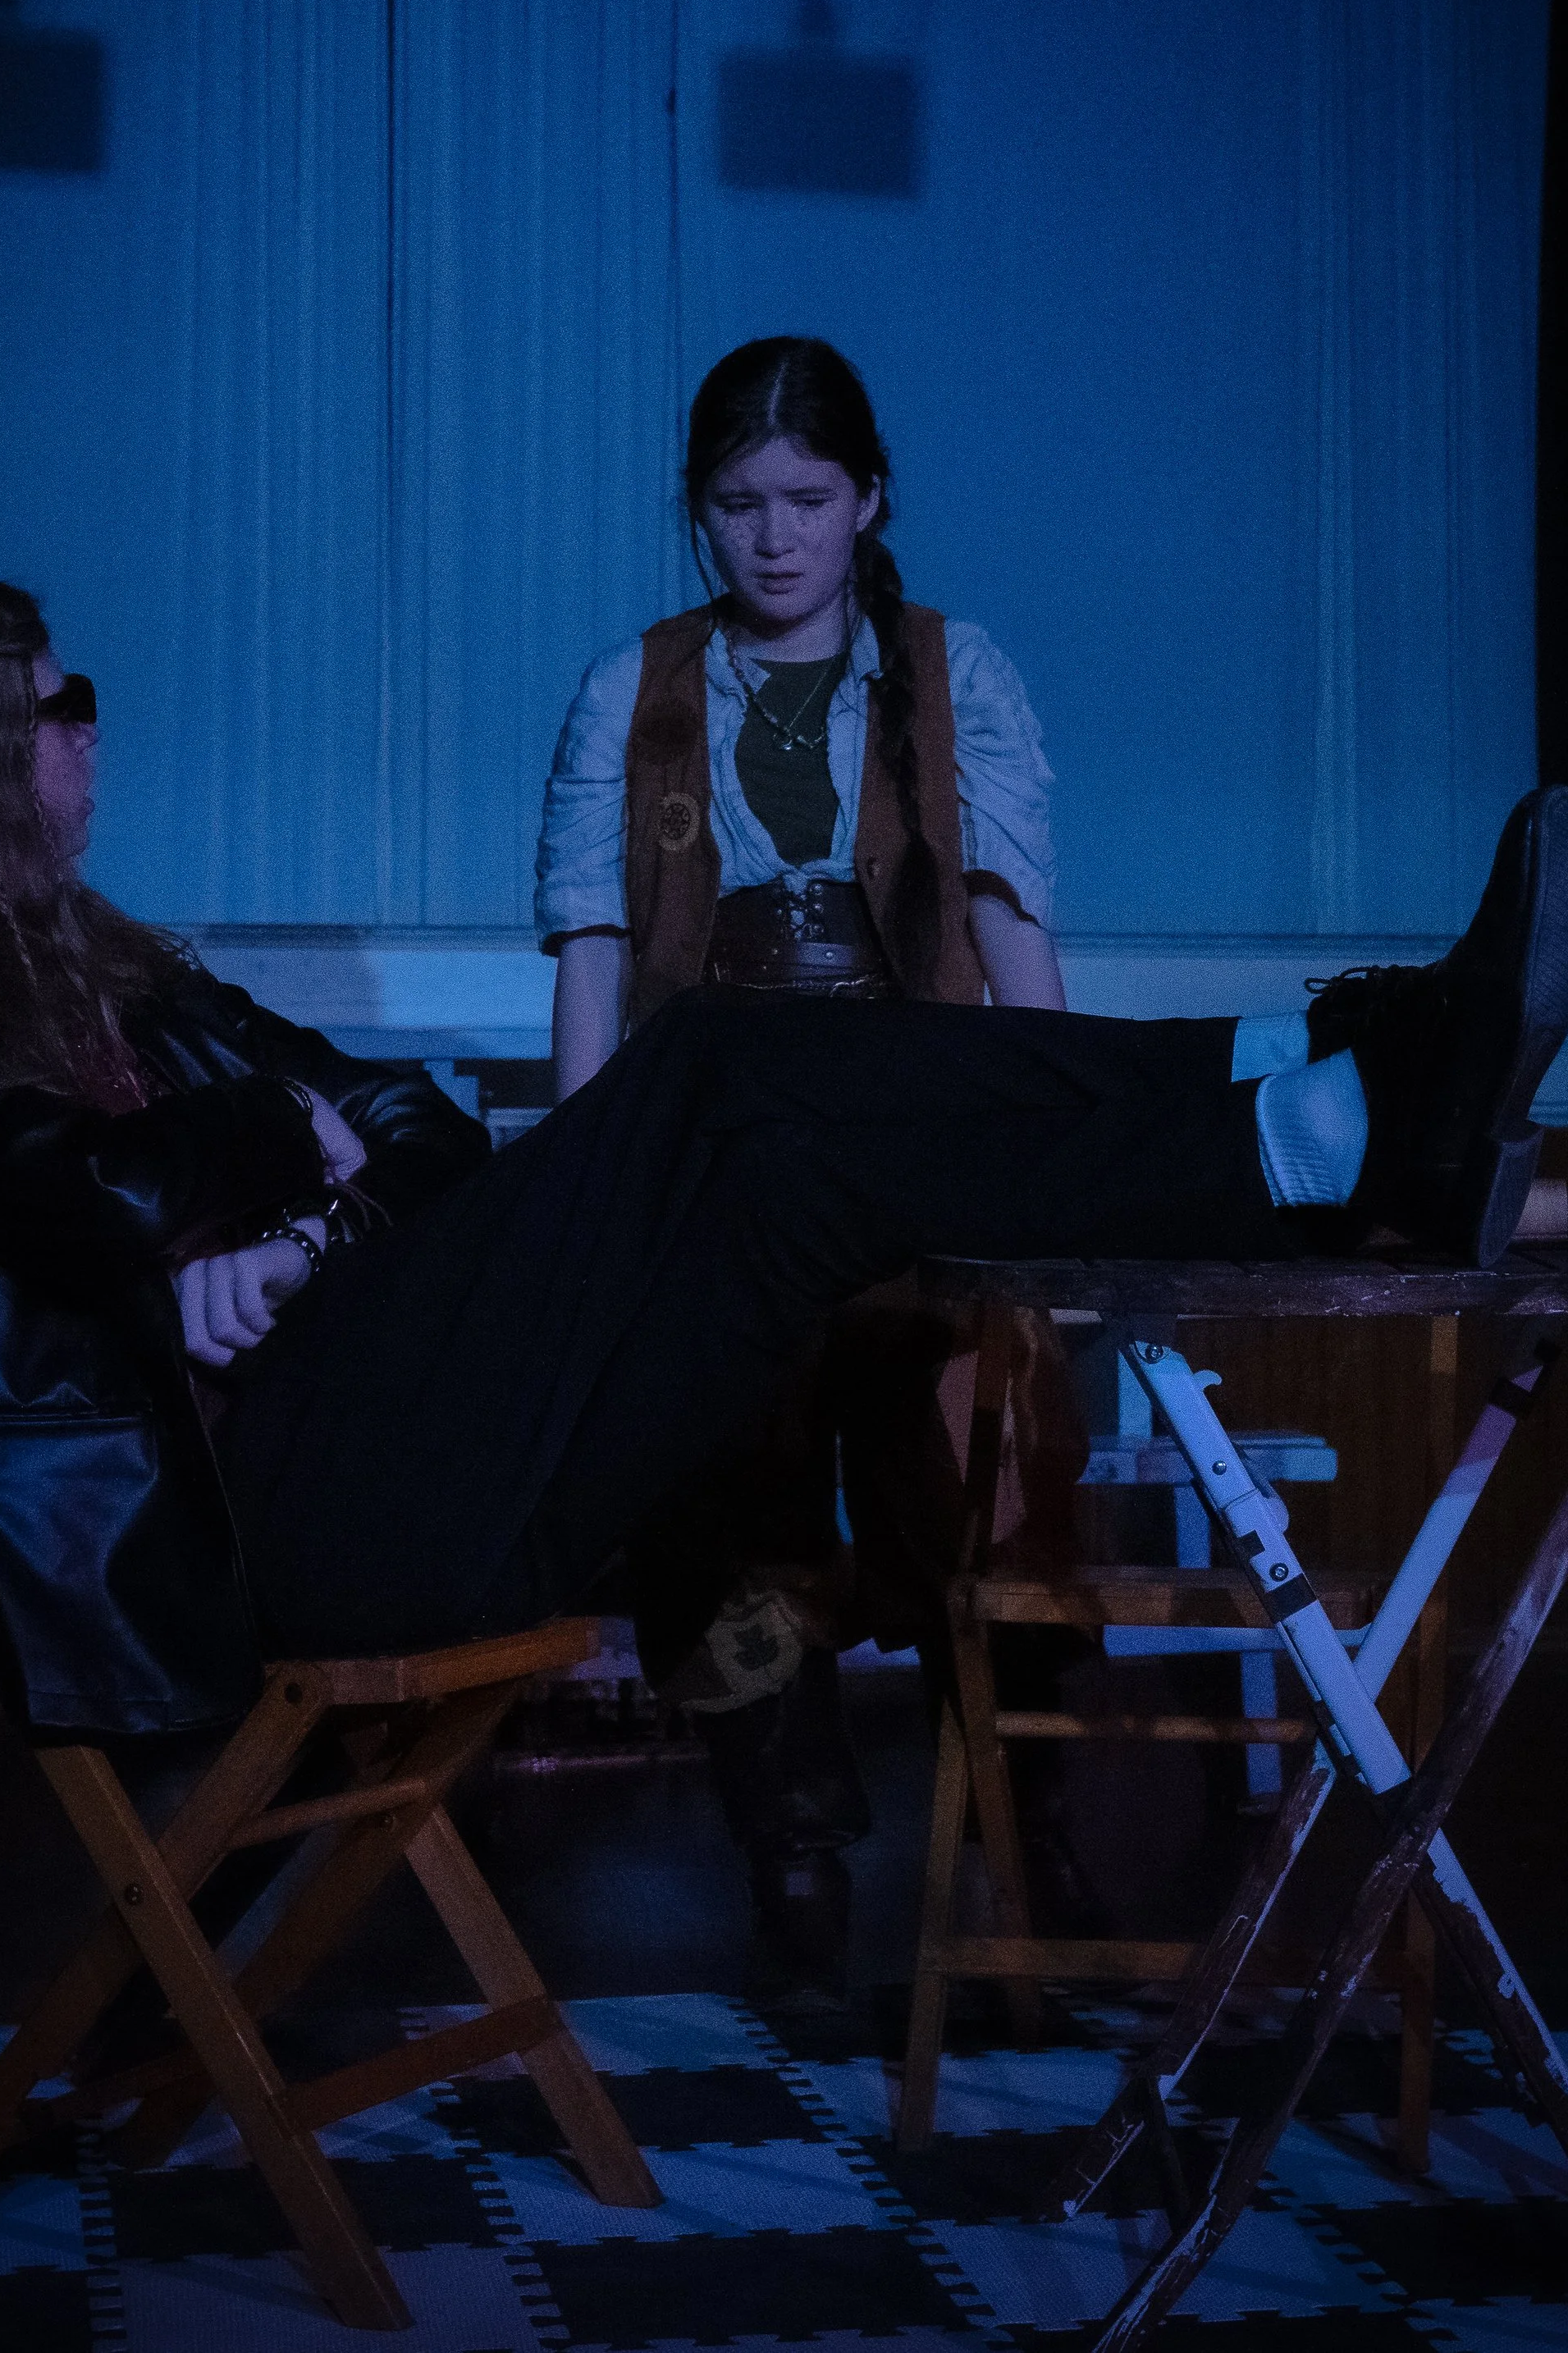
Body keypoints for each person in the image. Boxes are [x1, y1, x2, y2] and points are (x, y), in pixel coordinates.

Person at [0, 574, 1568, 1793]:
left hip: (416, 1453)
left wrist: (294, 1229)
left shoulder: (134, 973)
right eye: (57, 699)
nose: (87, 722)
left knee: (795, 1188)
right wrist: (262, 1170)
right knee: (706, 1054)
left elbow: (421, 1134)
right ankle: (1329, 1096)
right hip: (260, 1534)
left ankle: (1308, 1111)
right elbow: (100, 1193)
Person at [535, 336, 1076, 1996]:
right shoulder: (635, 689)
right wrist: (587, 1187)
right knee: (723, 1505)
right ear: (694, 514)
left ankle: (1018, 1809)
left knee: (979, 1478)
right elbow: (591, 957)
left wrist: (1055, 1147)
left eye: (807, 500)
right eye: (735, 505)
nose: (773, 539)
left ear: (869, 501)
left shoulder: (947, 671)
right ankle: (784, 1823)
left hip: (913, 1138)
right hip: (723, 1149)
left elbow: (1005, 923)